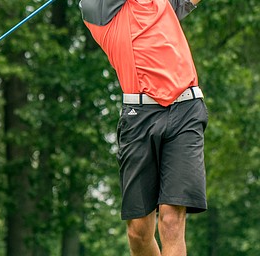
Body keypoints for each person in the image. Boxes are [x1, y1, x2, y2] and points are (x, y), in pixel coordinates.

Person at [79, 0, 207, 255]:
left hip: (186, 108)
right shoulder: (97, 9)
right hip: (138, 117)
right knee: (138, 232)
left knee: (171, 220)